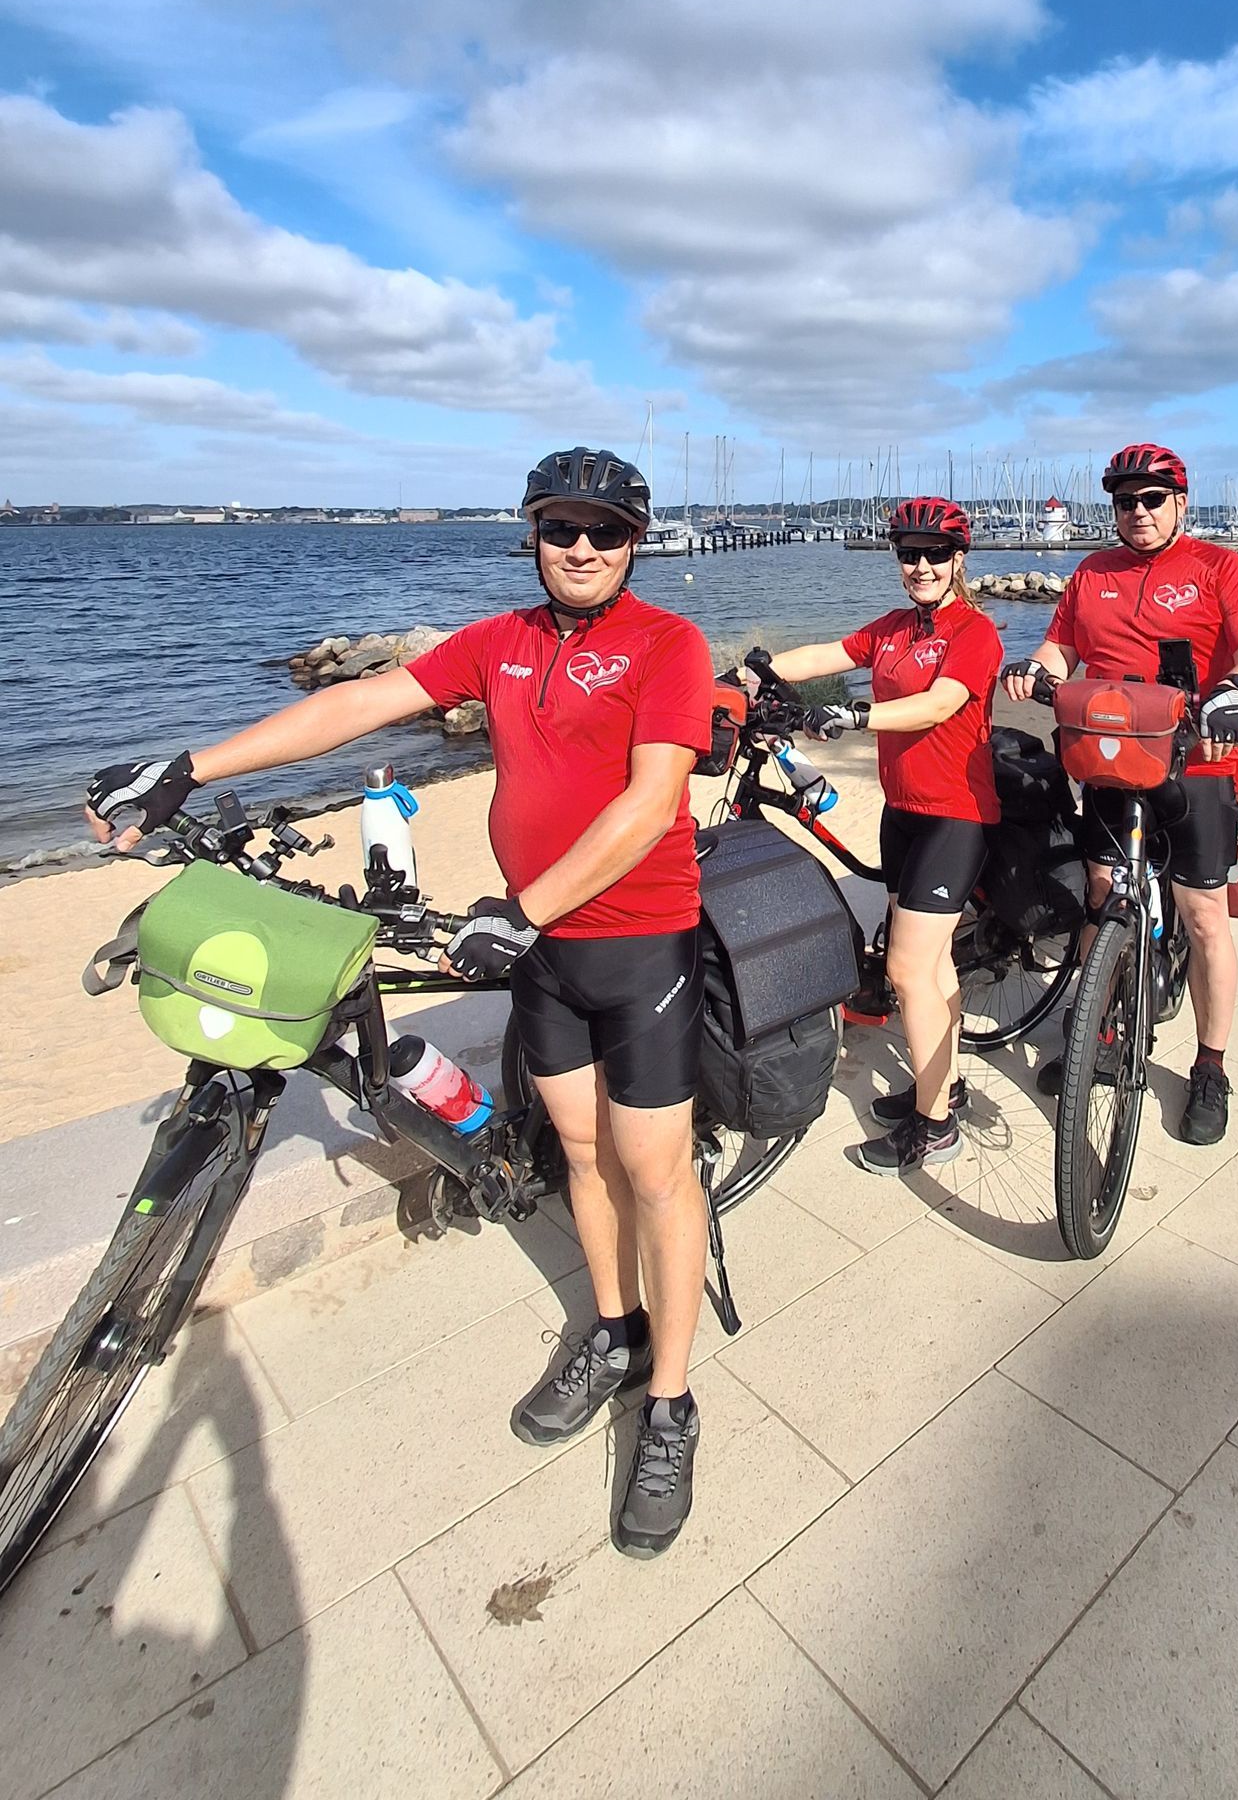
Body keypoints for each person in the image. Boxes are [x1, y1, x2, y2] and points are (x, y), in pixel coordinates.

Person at [85, 446, 715, 1559]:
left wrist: (526, 906)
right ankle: (615, 1333)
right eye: (560, 527)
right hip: (544, 954)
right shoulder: (501, 641)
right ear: (532, 534)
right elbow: (363, 702)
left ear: (635, 544)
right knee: (582, 1159)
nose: (580, 548)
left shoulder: (669, 644)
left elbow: (651, 799)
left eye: (605, 531)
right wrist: (189, 768)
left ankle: (670, 1402)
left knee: (656, 1173)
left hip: (636, 946)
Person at [1002, 443, 1238, 1148]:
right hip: (1112, 759)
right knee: (1101, 892)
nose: (1139, 512)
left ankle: (1211, 1066)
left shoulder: (1219, 566)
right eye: (1126, 502)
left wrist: (1235, 689)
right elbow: (1062, 648)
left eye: (1153, 499)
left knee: (1203, 913)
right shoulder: (1093, 573)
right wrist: (1035, 667)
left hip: (1199, 765)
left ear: (1180, 503)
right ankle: (1096, 1030)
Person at [743, 497, 1001, 1176]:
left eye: (935, 554)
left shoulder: (975, 632)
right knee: (934, 966)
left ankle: (936, 1127)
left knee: (907, 970)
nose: (921, 566)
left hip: (955, 817)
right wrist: (751, 674)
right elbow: (827, 653)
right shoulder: (893, 628)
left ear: (958, 559)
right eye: (909, 554)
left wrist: (856, 715)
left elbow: (940, 703)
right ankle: (943, 1083)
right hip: (903, 812)